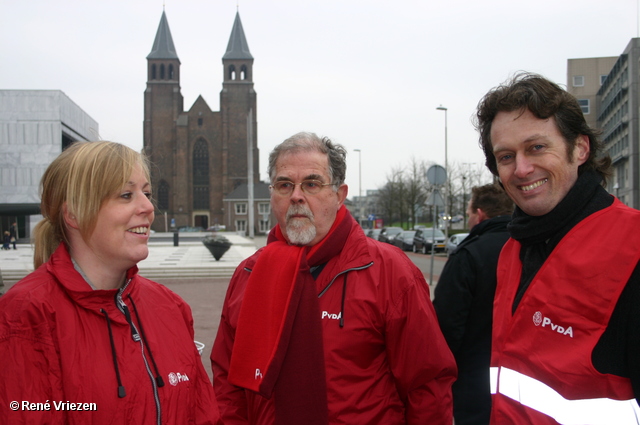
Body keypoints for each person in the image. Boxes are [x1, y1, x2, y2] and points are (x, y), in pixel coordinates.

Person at [211, 132, 457, 425]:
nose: (297, 195)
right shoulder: (248, 275)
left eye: (312, 184)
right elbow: (228, 385)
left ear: (339, 195)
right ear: (272, 194)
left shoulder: (390, 272)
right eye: (284, 185)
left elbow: (427, 386)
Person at [0, 141, 221, 425]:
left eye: (147, 193)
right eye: (126, 195)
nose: (147, 207)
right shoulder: (26, 316)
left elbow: (203, 415)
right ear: (74, 214)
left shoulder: (170, 306)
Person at [475, 72, 640, 424]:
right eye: (506, 156)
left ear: (580, 148)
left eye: (536, 147)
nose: (521, 168)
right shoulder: (514, 250)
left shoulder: (634, 247)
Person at [433, 183, 514, 425]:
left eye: (468, 213)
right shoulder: (531, 248)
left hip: (475, 384)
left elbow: (446, 325)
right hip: (526, 383)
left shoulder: (469, 256)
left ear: (479, 214)